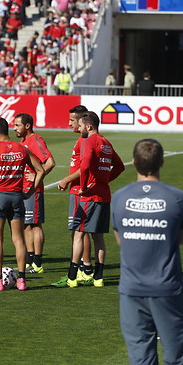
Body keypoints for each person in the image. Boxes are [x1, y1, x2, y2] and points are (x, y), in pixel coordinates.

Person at [112, 139, 183, 365]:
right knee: (178, 358)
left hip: (131, 290)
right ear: (162, 162)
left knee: (141, 359)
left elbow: (122, 240)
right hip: (168, 288)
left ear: (134, 162)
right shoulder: (177, 197)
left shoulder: (119, 197)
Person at [0, 118, 45, 291]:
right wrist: (30, 191)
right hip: (17, 198)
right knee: (19, 239)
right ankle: (21, 280)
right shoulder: (22, 148)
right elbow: (40, 170)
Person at [57, 111, 125, 288]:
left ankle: (72, 276)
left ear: (89, 126)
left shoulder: (89, 141)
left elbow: (85, 165)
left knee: (79, 233)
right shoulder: (106, 143)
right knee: (99, 236)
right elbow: (119, 167)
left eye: (80, 127)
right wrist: (104, 180)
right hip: (104, 194)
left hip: (89, 196)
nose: (79, 130)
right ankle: (98, 277)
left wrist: (86, 186)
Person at [54, 105, 94, 287]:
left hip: (80, 190)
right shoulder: (81, 140)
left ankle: (85, 269)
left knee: (81, 231)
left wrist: (67, 179)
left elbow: (84, 168)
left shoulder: (85, 141)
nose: (69, 123)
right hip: (76, 189)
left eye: (71, 120)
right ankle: (83, 268)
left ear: (81, 121)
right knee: (78, 231)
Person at [13, 113, 55, 274]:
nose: (15, 128)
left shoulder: (36, 140)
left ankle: (37, 262)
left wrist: (39, 175)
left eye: (17, 125)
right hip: (22, 189)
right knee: (26, 225)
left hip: (33, 189)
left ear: (27, 126)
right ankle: (30, 261)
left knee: (35, 225)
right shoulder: (23, 141)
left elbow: (50, 162)